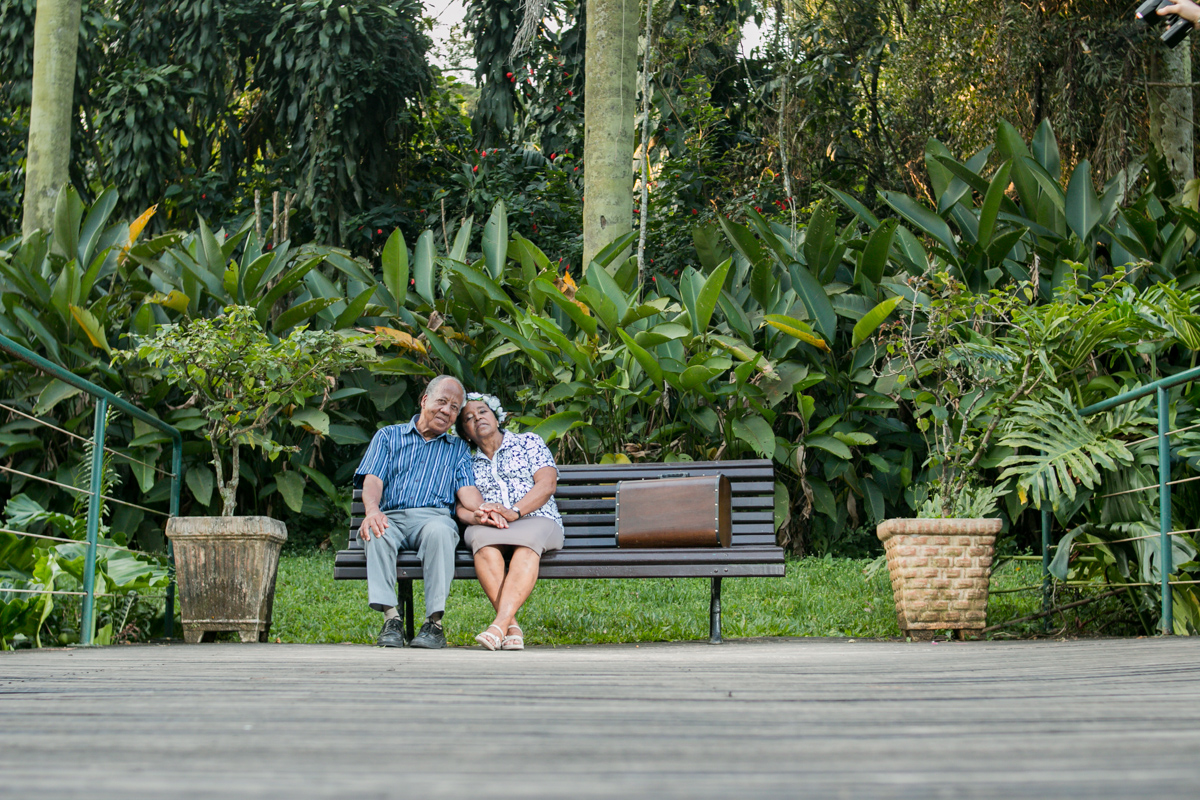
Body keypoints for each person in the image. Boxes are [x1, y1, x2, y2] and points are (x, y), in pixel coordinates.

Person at [356, 374, 488, 649]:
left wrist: (488, 509)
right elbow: (373, 480)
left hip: (434, 519)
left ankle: (434, 624)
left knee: (441, 532)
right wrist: (372, 511)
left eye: (454, 407)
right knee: (377, 532)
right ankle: (391, 619)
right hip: (390, 516)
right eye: (442, 401)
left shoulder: (458, 449)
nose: (447, 410)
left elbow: (467, 493)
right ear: (425, 400)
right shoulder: (388, 437)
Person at [454, 393, 564, 650]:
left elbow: (547, 484)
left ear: (496, 416)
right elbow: (460, 506)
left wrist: (515, 511)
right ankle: (510, 627)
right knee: (480, 540)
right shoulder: (465, 461)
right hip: (491, 525)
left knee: (527, 544)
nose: (477, 418)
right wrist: (478, 517)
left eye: (482, 411)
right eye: (468, 418)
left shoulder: (528, 442)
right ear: (466, 433)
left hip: (538, 518)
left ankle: (499, 625)